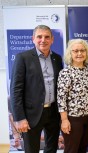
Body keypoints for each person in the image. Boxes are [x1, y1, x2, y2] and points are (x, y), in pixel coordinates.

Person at [10, 25, 63, 153]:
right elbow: (15, 90)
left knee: (51, 148)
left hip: (53, 112)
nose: (43, 40)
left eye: (46, 37)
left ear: (52, 39)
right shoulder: (23, 58)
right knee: (31, 150)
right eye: (39, 37)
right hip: (31, 114)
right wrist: (19, 118)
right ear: (33, 39)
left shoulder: (57, 58)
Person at [57, 39, 88, 153]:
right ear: (70, 53)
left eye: (82, 50)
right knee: (71, 150)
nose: (79, 54)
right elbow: (61, 98)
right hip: (72, 119)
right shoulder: (65, 72)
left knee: (83, 149)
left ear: (86, 53)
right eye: (76, 51)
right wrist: (64, 120)